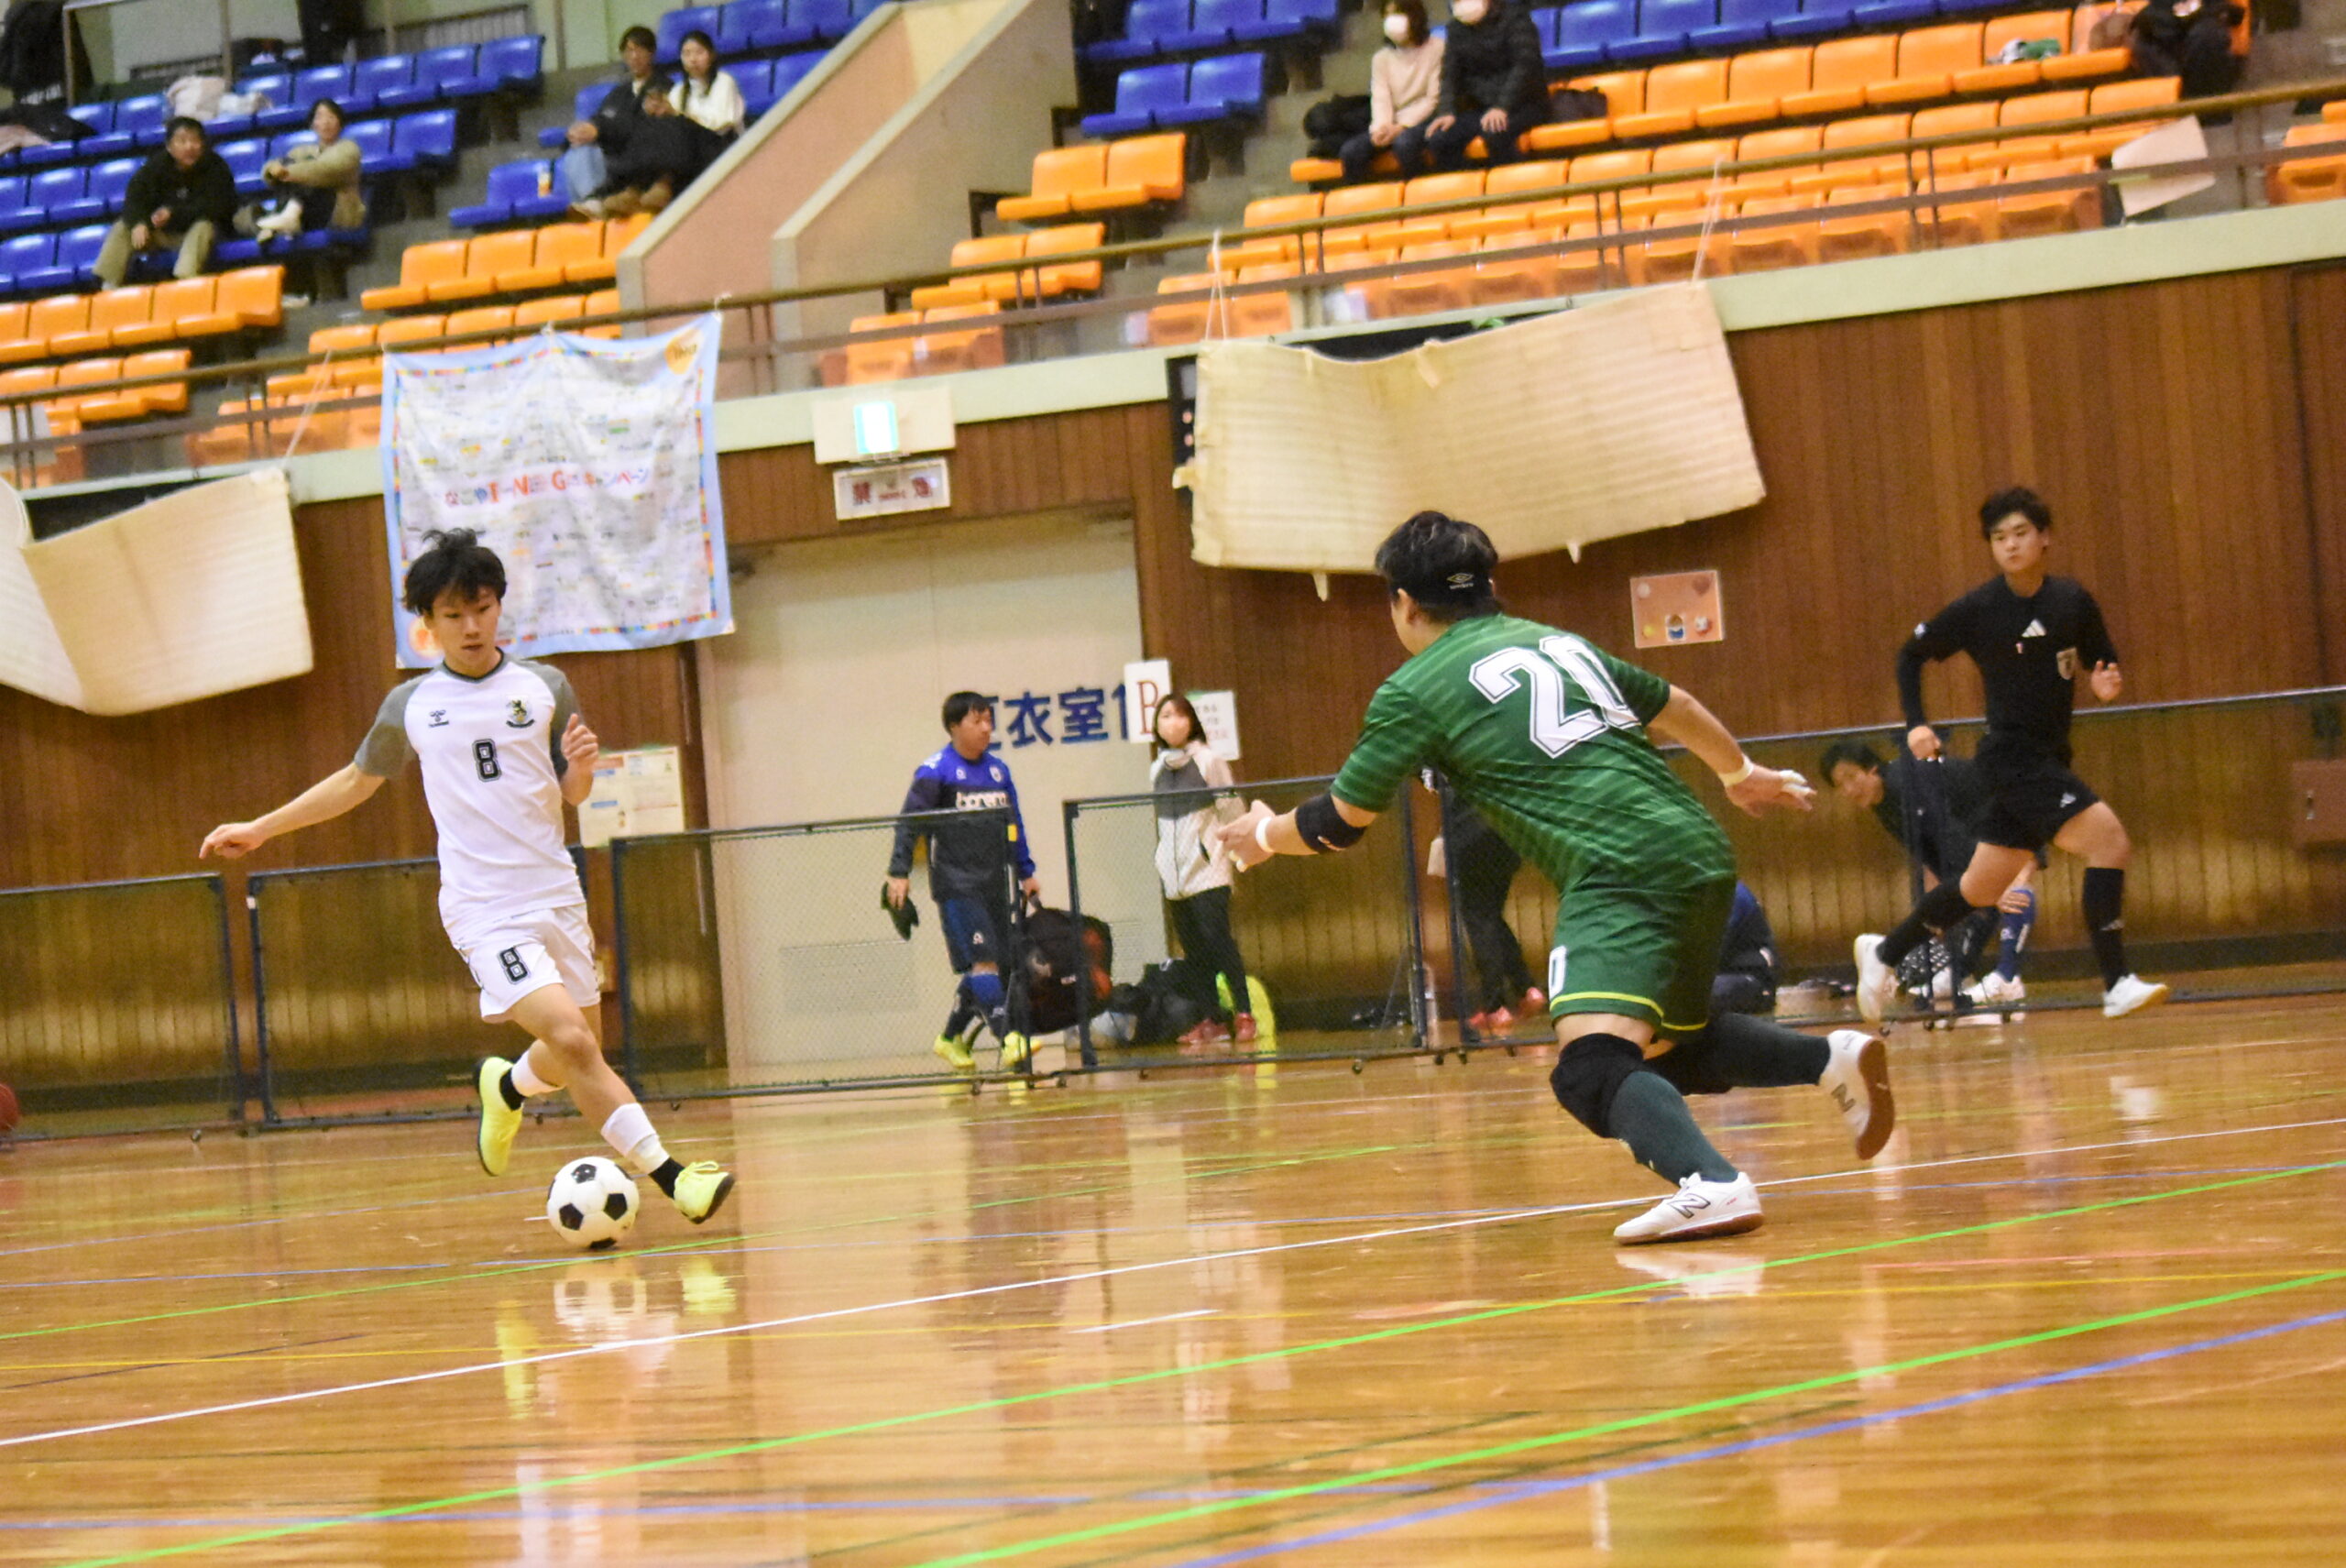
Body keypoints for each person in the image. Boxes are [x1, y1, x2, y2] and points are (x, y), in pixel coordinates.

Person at [1219, 510, 1895, 1246]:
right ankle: (1830, 1059)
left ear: (1404, 604)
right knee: (1665, 1046)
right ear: (1488, 586)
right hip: (1698, 849)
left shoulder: (1413, 688)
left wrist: (1261, 835)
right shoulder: (1558, 642)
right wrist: (1739, 773)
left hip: (1618, 867)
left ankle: (1712, 1183)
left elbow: (1338, 822)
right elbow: (1676, 704)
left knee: (1589, 1067)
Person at [198, 529, 735, 1226]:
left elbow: (570, 794)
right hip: (484, 909)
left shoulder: (545, 687)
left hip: (556, 893)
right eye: (453, 615)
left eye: (482, 609)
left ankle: (507, 1088)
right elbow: (357, 780)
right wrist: (264, 827)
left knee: (576, 1046)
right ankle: (674, 1177)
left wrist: (580, 770)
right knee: (574, 1043)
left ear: (499, 606)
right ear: (428, 623)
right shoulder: (412, 705)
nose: (472, 626)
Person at [1854, 487, 2166, 1025]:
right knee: (2110, 842)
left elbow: (2101, 660)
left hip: (2050, 757)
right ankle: (2116, 983)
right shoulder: (1980, 608)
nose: (2011, 545)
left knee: (1981, 887)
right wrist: (1916, 724)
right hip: (2012, 759)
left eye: (2021, 533)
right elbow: (1911, 654)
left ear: (2044, 538)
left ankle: (1884, 951)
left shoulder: (2072, 600)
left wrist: (2105, 681)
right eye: (1999, 538)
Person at [886, 693, 1045, 1073]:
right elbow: (909, 825)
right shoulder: (935, 772)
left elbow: (1014, 825)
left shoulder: (998, 772)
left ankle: (950, 1038)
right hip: (957, 885)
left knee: (991, 965)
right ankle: (1009, 1038)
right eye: (977, 721)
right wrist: (899, 872)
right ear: (955, 726)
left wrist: (1025, 871)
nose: (987, 729)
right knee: (983, 961)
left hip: (994, 883)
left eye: (989, 720)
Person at [1823, 738, 2035, 1011]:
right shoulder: (1885, 802)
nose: (1849, 790)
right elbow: (1930, 851)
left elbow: (1949, 835)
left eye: (1851, 777)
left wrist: (1991, 882)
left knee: (2014, 887)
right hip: (1983, 822)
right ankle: (1959, 973)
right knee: (1968, 895)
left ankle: (2007, 977)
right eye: (1840, 785)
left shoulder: (1903, 785)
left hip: (2014, 808)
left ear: (1872, 768)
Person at [1149, 694, 1256, 1047]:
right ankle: (1212, 1019)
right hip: (1174, 878)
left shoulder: (1209, 761)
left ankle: (1244, 1013)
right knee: (1194, 951)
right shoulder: (1156, 768)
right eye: (1165, 715)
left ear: (1192, 722)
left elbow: (1232, 810)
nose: (1173, 722)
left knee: (1218, 941)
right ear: (1157, 725)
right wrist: (1164, 862)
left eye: (1180, 715)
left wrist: (1234, 852)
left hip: (1209, 871)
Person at [1427, 774, 1544, 1032]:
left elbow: (1434, 780)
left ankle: (1496, 1007)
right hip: (1507, 836)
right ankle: (1525, 988)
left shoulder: (1451, 758)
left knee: (1479, 919)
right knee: (1491, 916)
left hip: (1470, 836)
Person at [95, 116, 237, 288]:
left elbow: (218, 207)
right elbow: (134, 199)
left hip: (202, 236)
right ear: (169, 147)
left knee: (204, 226)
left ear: (203, 144)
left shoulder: (216, 167)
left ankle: (186, 282)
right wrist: (139, 223)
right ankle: (108, 286)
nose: (189, 147)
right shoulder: (156, 167)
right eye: (182, 141)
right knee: (123, 226)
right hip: (166, 234)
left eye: (194, 141)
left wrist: (174, 213)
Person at [1423, 0, 1546, 173]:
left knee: (1495, 133)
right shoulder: (1456, 28)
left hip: (1524, 104)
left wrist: (1502, 107)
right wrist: (1446, 111)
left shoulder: (1515, 18)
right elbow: (1450, 74)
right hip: (1480, 107)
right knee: (1440, 139)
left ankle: (1515, 185)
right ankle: (1469, 186)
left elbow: (1525, 66)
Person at [560, 25, 672, 209]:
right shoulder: (618, 93)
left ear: (651, 53)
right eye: (629, 51)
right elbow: (600, 119)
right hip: (611, 157)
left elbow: (641, 127)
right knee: (576, 153)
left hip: (637, 159)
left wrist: (599, 130)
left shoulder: (664, 88)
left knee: (587, 154)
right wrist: (576, 134)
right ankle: (590, 203)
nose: (634, 56)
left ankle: (594, 203)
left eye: (640, 50)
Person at [1342, 0, 1444, 183]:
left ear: (1414, 16)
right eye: (1387, 15)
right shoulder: (1381, 59)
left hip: (1424, 120)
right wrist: (1381, 128)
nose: (1391, 21)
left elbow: (1433, 99)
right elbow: (1380, 98)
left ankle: (1421, 194)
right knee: (1351, 151)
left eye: (1397, 14)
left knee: (1405, 144)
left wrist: (1402, 126)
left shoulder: (1437, 48)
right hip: (1391, 124)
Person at [586, 87, 725, 218]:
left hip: (709, 146)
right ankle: (633, 189)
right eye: (651, 101)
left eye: (660, 101)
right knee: (646, 132)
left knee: (677, 127)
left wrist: (675, 113)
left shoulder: (721, 84)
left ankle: (663, 183)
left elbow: (721, 124)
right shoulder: (679, 89)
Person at [252, 96, 363, 240]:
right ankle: (287, 218)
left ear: (340, 122)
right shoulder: (302, 151)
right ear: (313, 124)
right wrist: (272, 169)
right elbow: (276, 166)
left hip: (336, 211)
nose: (326, 122)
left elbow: (325, 171)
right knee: (288, 164)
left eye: (331, 117)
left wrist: (287, 172)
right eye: (320, 117)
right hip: (309, 213)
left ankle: (286, 219)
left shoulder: (349, 148)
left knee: (308, 176)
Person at [1711, 883, 1778, 1015]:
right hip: (1721, 977)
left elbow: (1712, 951)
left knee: (1692, 994)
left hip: (1749, 979)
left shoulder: (1731, 893)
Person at [670, 29, 747, 139]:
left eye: (699, 52)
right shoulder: (677, 91)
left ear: (712, 55)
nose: (693, 59)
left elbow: (721, 127)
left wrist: (689, 118)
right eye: (687, 54)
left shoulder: (724, 82)